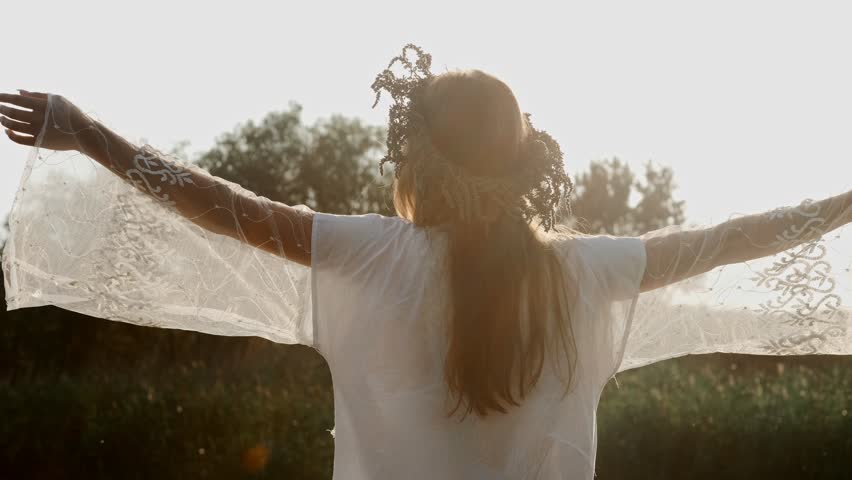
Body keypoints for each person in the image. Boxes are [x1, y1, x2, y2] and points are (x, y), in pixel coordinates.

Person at [2, 44, 850, 479]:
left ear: (415, 160)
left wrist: (91, 135)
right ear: (527, 165)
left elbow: (221, 208)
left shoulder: (370, 258)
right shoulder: (585, 273)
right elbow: (733, 239)